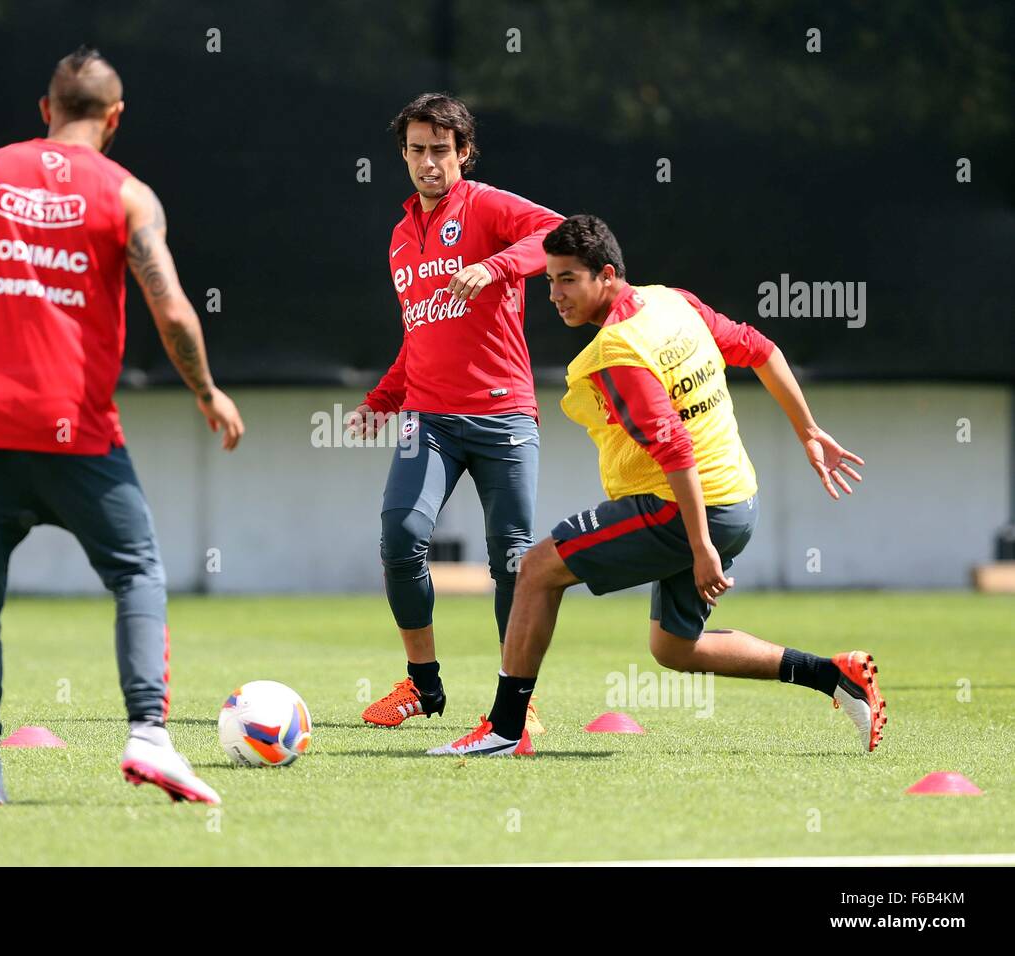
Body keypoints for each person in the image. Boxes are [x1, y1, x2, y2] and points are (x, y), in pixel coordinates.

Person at [0, 46, 243, 804]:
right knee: (136, 572)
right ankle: (148, 737)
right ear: (115, 118)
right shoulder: (129, 195)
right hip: (75, 430)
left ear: (45, 110)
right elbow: (170, 307)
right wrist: (205, 391)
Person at [428, 214, 885, 757]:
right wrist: (808, 430)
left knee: (536, 569)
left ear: (606, 274)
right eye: (548, 280)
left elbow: (675, 450)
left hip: (685, 511)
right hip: (736, 500)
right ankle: (836, 676)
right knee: (674, 648)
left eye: (567, 279)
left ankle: (505, 730)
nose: (554, 294)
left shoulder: (618, 351)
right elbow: (761, 349)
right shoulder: (672, 302)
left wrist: (700, 548)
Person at [349, 94, 563, 730]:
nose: (427, 162)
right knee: (401, 537)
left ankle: (514, 707)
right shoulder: (399, 237)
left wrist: (496, 267)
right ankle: (422, 685)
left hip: (504, 417)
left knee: (513, 562)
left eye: (440, 150)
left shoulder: (489, 205)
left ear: (464, 154)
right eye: (416, 150)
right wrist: (381, 400)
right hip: (429, 417)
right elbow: (421, 335)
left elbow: (559, 234)